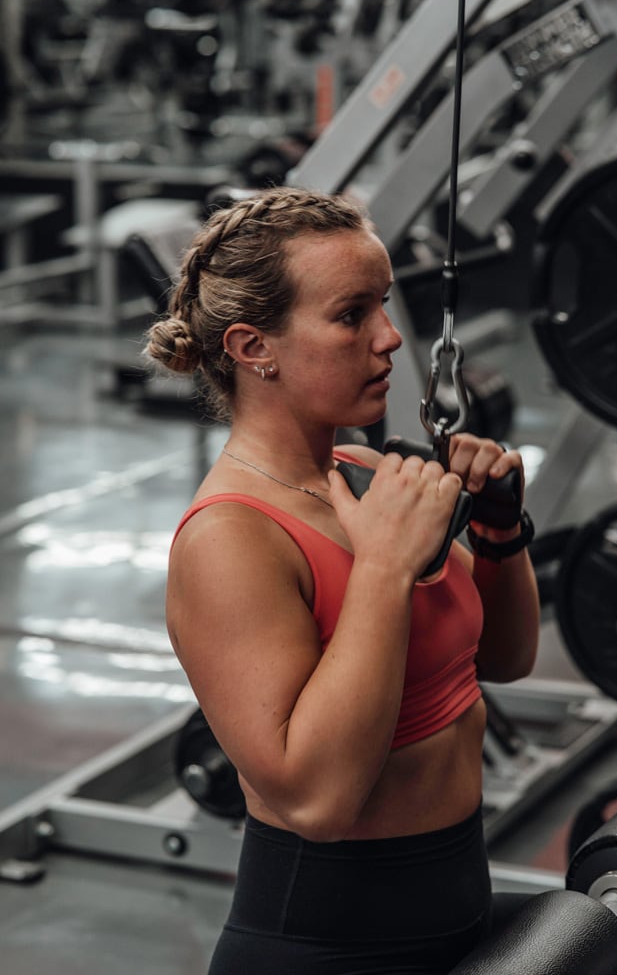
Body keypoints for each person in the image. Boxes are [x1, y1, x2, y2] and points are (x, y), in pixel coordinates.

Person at [146, 185, 540, 975]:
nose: (390, 337)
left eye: (384, 305)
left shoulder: (363, 474)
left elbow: (499, 661)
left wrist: (499, 529)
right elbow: (315, 801)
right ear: (256, 347)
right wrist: (385, 569)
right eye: (351, 313)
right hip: (328, 944)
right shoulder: (230, 537)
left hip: (458, 904)